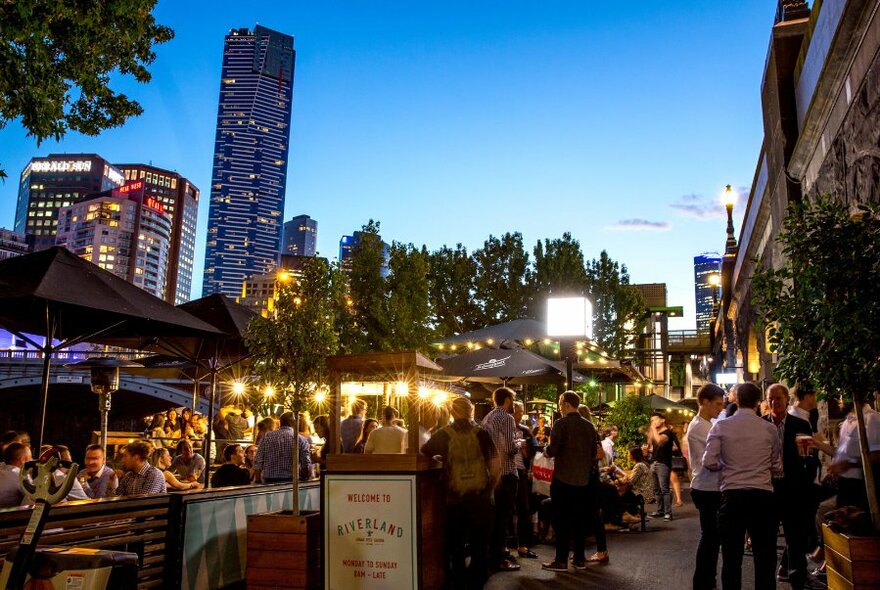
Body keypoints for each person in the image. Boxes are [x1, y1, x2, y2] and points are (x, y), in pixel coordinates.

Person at [703, 381, 783, 590]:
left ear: (736, 400)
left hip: (732, 497)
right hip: (763, 497)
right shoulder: (769, 429)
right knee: (765, 558)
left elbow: (709, 462)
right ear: (759, 402)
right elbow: (777, 466)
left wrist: (727, 464)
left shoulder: (721, 426)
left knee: (731, 559)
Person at [421, 396, 497, 590]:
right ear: (471, 411)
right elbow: (494, 462)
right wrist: (491, 486)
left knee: (455, 541)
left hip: (455, 497)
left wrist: (442, 458)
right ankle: (478, 578)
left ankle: (457, 578)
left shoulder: (443, 434)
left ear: (452, 412)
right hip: (480, 496)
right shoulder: (482, 432)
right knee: (480, 541)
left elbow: (425, 450)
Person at [542, 390, 602, 571]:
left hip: (563, 479)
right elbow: (595, 453)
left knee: (561, 520)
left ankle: (561, 560)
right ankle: (579, 558)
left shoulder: (560, 424)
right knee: (579, 520)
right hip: (582, 480)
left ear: (567, 404)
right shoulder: (589, 426)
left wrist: (545, 450)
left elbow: (553, 449)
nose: (560, 408)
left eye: (560, 404)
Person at [764, 383, 814, 589]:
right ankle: (767, 580)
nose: (775, 402)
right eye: (771, 399)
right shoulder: (761, 425)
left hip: (793, 488)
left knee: (795, 538)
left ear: (787, 399)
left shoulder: (800, 425)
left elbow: (810, 459)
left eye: (778, 398)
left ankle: (797, 580)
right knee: (767, 538)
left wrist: (805, 482)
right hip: (769, 488)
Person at [686, 383, 725, 590]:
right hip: (707, 487)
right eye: (717, 404)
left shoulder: (703, 423)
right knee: (710, 537)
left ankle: (706, 579)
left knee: (711, 537)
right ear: (704, 402)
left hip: (706, 486)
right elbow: (715, 458)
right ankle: (703, 581)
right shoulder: (702, 427)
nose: (720, 408)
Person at [482, 386, 521, 572]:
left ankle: (492, 558)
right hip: (506, 474)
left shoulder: (487, 417)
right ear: (506, 400)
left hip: (491, 474)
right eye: (512, 400)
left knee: (493, 518)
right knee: (503, 519)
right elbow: (509, 448)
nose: (513, 404)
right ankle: (498, 560)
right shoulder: (507, 418)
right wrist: (519, 444)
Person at [253, 412, 311, 483]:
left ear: (280, 422)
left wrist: (258, 480)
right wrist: (304, 480)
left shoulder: (267, 437)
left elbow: (258, 460)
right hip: (291, 481)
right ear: (294, 423)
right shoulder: (301, 439)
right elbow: (305, 464)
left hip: (269, 481)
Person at [511, 401, 538, 559]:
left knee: (523, 509)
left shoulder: (525, 430)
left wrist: (525, 450)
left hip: (520, 473)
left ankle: (523, 545)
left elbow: (533, 451)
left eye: (521, 412)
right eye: (517, 412)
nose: (520, 415)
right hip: (505, 473)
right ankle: (505, 546)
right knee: (505, 511)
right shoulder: (504, 429)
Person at [648, 414, 679, 520]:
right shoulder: (656, 432)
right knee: (657, 490)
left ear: (663, 420)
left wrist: (652, 428)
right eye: (651, 420)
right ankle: (660, 510)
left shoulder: (667, 433)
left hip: (663, 463)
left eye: (655, 419)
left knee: (664, 489)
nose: (653, 422)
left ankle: (668, 513)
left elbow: (660, 441)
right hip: (654, 462)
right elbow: (652, 444)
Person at [0, 442, 31, 507]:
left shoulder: (2, 468)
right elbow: (34, 497)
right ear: (22, 460)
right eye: (30, 458)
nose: (32, 460)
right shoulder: (20, 475)